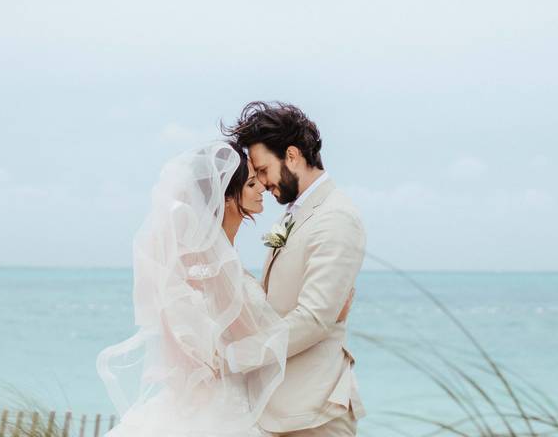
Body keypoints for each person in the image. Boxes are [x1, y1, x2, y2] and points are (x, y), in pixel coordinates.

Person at [96, 141, 352, 437]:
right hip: (221, 410)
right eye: (252, 184)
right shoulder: (213, 268)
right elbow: (256, 338)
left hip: (219, 402)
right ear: (228, 197)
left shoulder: (215, 259)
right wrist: (327, 315)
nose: (262, 190)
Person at [224, 102, 366, 437]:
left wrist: (234, 358)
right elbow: (274, 302)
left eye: (262, 169)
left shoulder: (336, 218)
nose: (259, 181)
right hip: (280, 408)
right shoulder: (294, 214)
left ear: (291, 155)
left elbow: (314, 319)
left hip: (313, 415)